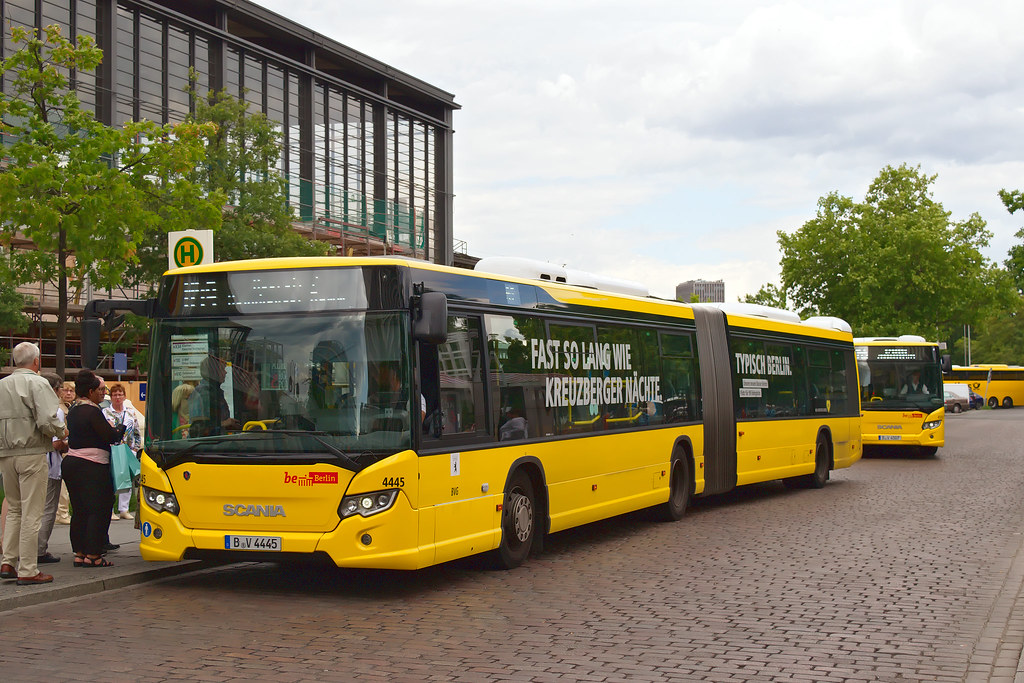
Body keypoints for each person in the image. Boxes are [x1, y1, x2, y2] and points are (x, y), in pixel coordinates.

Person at [0, 342, 66, 585]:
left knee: (14, 508)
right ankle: (28, 569)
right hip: (31, 451)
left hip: (6, 453)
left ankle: (8, 561)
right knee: (32, 511)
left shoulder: (2, 384)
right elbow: (47, 420)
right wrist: (62, 431)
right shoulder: (38, 383)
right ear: (36, 361)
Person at [62, 369, 126, 569]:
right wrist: (120, 429)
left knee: (79, 510)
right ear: (90, 392)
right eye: (99, 391)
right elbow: (110, 436)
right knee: (98, 509)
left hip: (72, 463)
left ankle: (79, 553)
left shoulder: (74, 410)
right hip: (92, 465)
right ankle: (93, 555)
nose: (102, 394)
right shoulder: (92, 411)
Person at [36, 373, 69, 564]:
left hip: (32, 461)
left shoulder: (34, 407)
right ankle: (39, 549)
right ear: (55, 390)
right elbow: (56, 443)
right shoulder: (55, 411)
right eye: (61, 388)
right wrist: (67, 443)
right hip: (50, 464)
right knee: (48, 508)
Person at [103, 383, 141, 521]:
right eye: (115, 395)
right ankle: (110, 510)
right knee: (112, 478)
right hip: (112, 448)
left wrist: (136, 447)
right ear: (111, 397)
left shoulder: (130, 412)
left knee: (127, 479)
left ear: (124, 396)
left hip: (128, 449)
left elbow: (136, 430)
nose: (117, 397)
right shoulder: (106, 412)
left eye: (120, 394)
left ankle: (124, 509)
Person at [189, 355, 239, 436]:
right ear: (213, 372)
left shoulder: (216, 392)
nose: (226, 372)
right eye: (223, 369)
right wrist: (224, 424)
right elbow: (198, 430)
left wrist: (227, 425)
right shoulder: (203, 393)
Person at [54, 381, 74, 525]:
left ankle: (63, 511)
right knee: (62, 486)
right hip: (62, 448)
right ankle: (61, 513)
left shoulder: (72, 407)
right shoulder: (59, 409)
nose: (68, 393)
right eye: (65, 390)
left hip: (70, 449)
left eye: (71, 391)